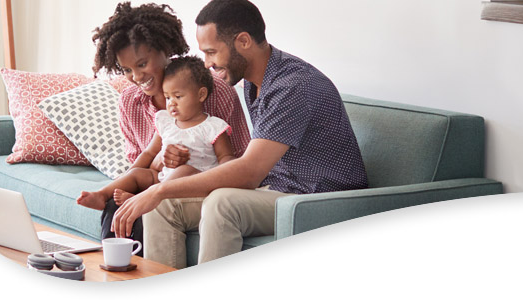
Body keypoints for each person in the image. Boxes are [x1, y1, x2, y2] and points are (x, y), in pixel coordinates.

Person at [112, 0, 369, 269]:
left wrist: (160, 188)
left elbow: (249, 172)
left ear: (243, 41)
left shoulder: (293, 85)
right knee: (162, 207)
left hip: (320, 199)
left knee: (221, 203)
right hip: (280, 190)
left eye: (212, 52)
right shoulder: (254, 83)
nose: (207, 63)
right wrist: (159, 193)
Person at [91, 2, 251, 244]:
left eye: (142, 64)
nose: (137, 78)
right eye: (127, 70)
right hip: (155, 182)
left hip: (202, 189)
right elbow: (139, 165)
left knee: (146, 210)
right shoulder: (129, 101)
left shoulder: (215, 90)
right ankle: (114, 273)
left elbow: (239, 163)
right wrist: (160, 160)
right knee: (116, 204)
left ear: (165, 50)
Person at [77, 56, 236, 212]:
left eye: (178, 96)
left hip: (196, 183)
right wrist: (130, 174)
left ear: (201, 95)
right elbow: (149, 152)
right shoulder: (166, 121)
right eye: (167, 97)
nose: (171, 103)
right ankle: (102, 194)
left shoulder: (213, 127)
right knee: (137, 173)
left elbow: (226, 158)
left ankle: (139, 199)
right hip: (162, 178)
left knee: (185, 170)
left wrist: (222, 180)